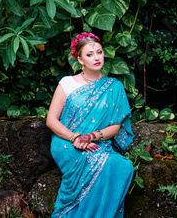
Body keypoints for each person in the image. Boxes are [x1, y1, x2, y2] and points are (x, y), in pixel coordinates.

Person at [46, 32, 134, 217]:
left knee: (122, 166)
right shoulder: (67, 83)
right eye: (89, 54)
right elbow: (51, 120)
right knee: (101, 162)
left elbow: (116, 127)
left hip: (96, 142)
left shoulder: (113, 86)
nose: (96, 57)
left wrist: (90, 136)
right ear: (79, 59)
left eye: (99, 52)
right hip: (66, 141)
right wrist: (75, 137)